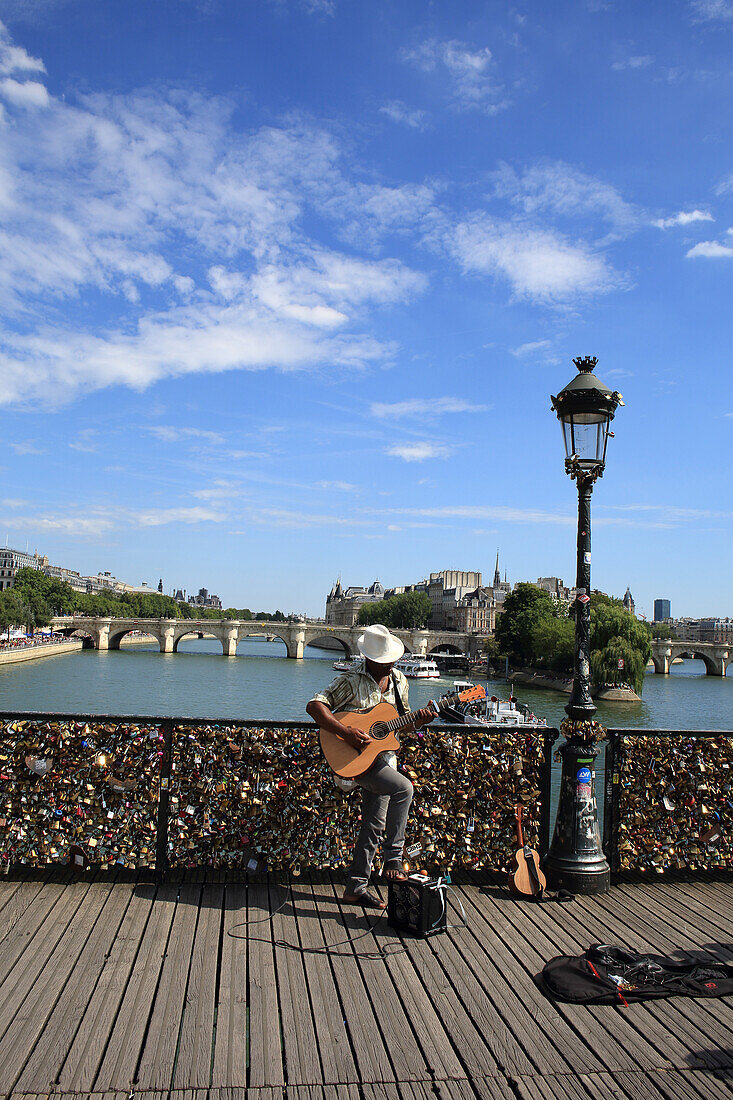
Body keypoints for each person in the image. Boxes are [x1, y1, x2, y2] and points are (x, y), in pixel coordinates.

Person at [306, 623, 436, 909]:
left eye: (391, 659)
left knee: (374, 824)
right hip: (356, 759)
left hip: (383, 759)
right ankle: (394, 857)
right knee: (404, 788)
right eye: (384, 661)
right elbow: (315, 706)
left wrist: (420, 721)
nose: (389, 665)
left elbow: (399, 727)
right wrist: (345, 732)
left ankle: (355, 888)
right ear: (369, 659)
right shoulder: (351, 681)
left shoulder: (401, 680)